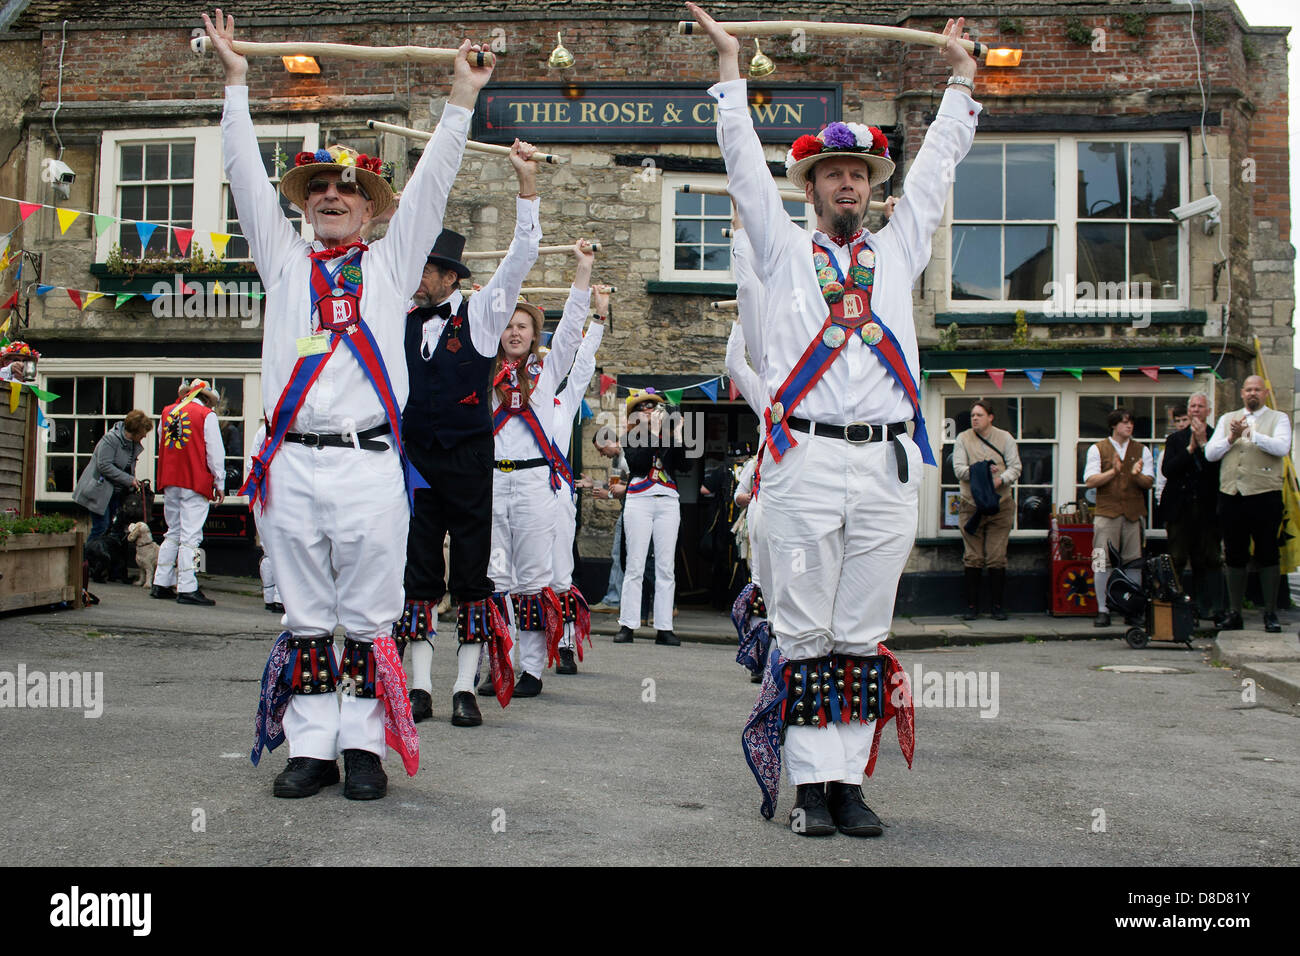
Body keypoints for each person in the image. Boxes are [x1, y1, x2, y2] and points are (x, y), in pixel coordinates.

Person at [691, 3, 972, 837]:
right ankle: (813, 789)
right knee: (808, 631)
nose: (849, 183)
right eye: (834, 174)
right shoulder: (780, 253)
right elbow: (741, 166)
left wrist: (961, 79)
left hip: (885, 464)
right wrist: (731, 72)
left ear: (872, 187)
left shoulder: (899, 248)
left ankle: (849, 782)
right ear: (809, 188)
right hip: (805, 459)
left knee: (862, 632)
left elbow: (940, 168)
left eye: (860, 174)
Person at [210, 8, 492, 800]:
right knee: (305, 615)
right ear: (305, 203)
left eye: (348, 188)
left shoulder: (394, 265)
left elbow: (434, 181)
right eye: (320, 188)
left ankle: (364, 749)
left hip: (371, 464)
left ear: (371, 208)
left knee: (370, 615)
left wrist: (461, 97)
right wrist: (236, 86)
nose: (333, 195)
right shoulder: (284, 262)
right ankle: (312, 748)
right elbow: (239, 175)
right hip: (291, 459)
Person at [394, 138, 542, 729]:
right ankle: (419, 686)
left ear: (448, 276)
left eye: (423, 269)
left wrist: (526, 184)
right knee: (420, 571)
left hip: (470, 456)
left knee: (473, 573)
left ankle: (464, 688)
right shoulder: (398, 317)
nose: (414, 277)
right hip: (417, 459)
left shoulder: (482, 312)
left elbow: (522, 252)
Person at [487, 242, 593, 698]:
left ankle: (530, 668)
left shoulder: (547, 374)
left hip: (534, 480)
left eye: (523, 326)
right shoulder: (483, 373)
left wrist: (583, 274)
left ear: (534, 335)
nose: (515, 332)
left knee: (532, 578)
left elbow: (571, 332)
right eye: (508, 325)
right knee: (495, 578)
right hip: (491, 479)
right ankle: (498, 663)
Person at [548, 292, 610, 675]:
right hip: (508, 487)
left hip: (554, 491)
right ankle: (504, 657)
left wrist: (599, 321)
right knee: (505, 575)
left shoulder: (563, 401)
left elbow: (583, 364)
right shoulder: (504, 396)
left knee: (559, 570)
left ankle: (566, 644)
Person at [1205, 375, 1293, 632]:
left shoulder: (1279, 419)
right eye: (1248, 390)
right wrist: (1231, 439)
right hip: (1232, 493)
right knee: (1234, 553)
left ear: (1265, 393)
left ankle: (1270, 612)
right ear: (1242, 393)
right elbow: (1211, 454)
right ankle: (1235, 612)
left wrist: (1251, 434)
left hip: (1264, 492)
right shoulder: (1226, 419)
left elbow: (1281, 448)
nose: (1252, 393)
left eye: (1257, 390)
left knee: (1267, 551)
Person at [614, 389, 686, 646]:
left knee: (666, 566)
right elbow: (640, 464)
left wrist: (676, 435)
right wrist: (654, 433)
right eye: (643, 407)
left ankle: (664, 627)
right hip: (639, 500)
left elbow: (684, 465)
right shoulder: (630, 436)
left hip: (668, 501)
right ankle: (628, 624)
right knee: (635, 564)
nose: (649, 410)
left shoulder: (668, 434)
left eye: (652, 406)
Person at [151, 379, 225, 606]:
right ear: (206, 399)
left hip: (170, 478)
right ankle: (187, 586)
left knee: (173, 531)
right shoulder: (206, 416)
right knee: (191, 536)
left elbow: (162, 441)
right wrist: (219, 482)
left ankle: (161, 582)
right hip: (194, 479)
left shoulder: (166, 413)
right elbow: (214, 451)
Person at [1083, 407, 1155, 628]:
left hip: (1133, 514)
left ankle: (1131, 609)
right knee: (1101, 561)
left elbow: (1149, 482)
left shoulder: (1142, 450)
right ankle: (1102, 610)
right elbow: (1090, 480)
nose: (1129, 426)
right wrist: (1113, 472)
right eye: (1124, 422)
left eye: (1131, 422)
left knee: (1133, 563)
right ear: (1114, 425)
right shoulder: (1098, 449)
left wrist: (1137, 475)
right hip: (1106, 513)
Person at [952, 399, 1021, 620]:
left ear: (990, 417)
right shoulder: (963, 439)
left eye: (979, 415)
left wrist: (1000, 479)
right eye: (973, 415)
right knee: (972, 557)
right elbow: (959, 470)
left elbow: (1016, 467)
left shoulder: (1005, 438)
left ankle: (997, 607)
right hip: (971, 505)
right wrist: (982, 471)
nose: (975, 419)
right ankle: (971, 607)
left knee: (996, 556)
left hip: (1000, 505)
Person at [1159, 394, 1224, 620]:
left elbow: (1216, 471)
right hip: (1180, 508)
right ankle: (1177, 607)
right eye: (1193, 406)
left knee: (1207, 559)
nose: (1196, 410)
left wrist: (1204, 444)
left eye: (1200, 406)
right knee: (1177, 558)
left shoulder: (1218, 437)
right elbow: (1168, 470)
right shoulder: (1176, 439)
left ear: (1208, 410)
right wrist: (1190, 449)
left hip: (1207, 508)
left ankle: (1206, 607)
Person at [73, 409, 153, 542]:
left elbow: (127, 466)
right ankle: (88, 559)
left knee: (114, 529)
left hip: (117, 492)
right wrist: (129, 479)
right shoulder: (111, 439)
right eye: (143, 432)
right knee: (101, 527)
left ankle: (106, 561)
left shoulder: (132, 444)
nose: (144, 436)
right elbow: (104, 465)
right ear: (135, 430)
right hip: (99, 490)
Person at [588, 428, 629, 610]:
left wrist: (608, 494)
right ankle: (616, 598)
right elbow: (616, 488)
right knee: (619, 554)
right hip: (628, 510)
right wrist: (595, 485)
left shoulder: (628, 455)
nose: (601, 454)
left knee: (619, 554)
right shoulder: (617, 458)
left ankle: (614, 599)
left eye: (600, 449)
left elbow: (633, 486)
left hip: (634, 510)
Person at [247, 418, 283, 614]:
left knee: (268, 549)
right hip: (277, 493)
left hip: (261, 491)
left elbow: (251, 465)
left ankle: (270, 596)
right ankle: (280, 597)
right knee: (283, 548)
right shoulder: (284, 430)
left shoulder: (262, 431)